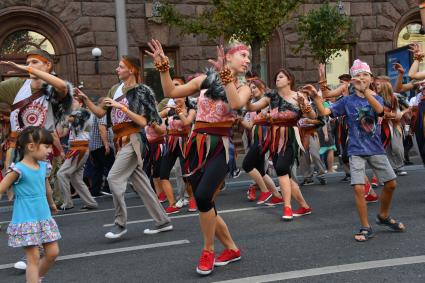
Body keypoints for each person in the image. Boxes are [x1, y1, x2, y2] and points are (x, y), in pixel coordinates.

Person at [147, 39, 252, 275]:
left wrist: (226, 78)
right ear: (229, 57)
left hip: (219, 146)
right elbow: (170, 92)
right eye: (243, 55)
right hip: (196, 144)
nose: (247, 60)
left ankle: (208, 250)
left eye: (248, 57)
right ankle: (232, 249)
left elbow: (235, 103)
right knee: (206, 203)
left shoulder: (245, 87)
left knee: (203, 197)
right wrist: (164, 68)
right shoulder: (205, 80)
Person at [306, 59, 406, 242]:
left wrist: (365, 91)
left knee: (391, 184)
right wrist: (315, 96)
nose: (361, 78)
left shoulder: (376, 97)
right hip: (356, 149)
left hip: (376, 148)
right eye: (357, 76)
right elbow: (325, 112)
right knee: (359, 188)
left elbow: (379, 111)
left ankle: (383, 216)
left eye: (365, 75)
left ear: (371, 79)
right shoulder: (347, 101)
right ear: (351, 81)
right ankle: (365, 227)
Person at [74, 55, 172, 239]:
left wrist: (124, 109)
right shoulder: (114, 89)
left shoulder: (143, 91)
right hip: (119, 141)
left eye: (120, 67)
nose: (117, 69)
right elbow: (100, 112)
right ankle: (163, 221)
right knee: (142, 184)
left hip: (134, 139)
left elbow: (144, 122)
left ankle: (120, 224)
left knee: (113, 178)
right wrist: (86, 100)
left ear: (132, 70)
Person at [246, 68, 314, 220]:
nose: (277, 79)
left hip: (291, 136)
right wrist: (246, 97)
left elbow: (312, 116)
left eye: (281, 77)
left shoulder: (299, 96)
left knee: (282, 168)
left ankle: (287, 207)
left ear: (289, 80)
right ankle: (304, 206)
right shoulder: (271, 96)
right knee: (285, 175)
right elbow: (252, 108)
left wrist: (306, 107)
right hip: (274, 138)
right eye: (276, 77)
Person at [0, 127, 60, 283]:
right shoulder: (18, 169)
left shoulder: (43, 166)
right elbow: (1, 188)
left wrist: (52, 203)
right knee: (32, 258)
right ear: (31, 146)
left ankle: (35, 279)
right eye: (46, 146)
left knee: (53, 253)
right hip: (25, 219)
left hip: (43, 216)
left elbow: (46, 186)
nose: (50, 150)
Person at [241, 78, 282, 205]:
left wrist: (266, 114)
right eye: (251, 88)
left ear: (262, 87)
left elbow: (275, 118)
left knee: (247, 165)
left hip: (265, 139)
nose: (252, 90)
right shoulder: (254, 105)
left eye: (254, 87)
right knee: (260, 170)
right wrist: (237, 118)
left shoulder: (270, 101)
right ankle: (277, 195)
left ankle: (265, 191)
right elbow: (249, 125)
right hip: (256, 139)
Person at [56, 98, 98, 211]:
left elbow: (70, 119)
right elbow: (62, 131)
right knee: (76, 178)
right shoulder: (75, 116)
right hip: (76, 148)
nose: (71, 104)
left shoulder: (85, 113)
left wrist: (61, 111)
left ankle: (68, 203)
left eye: (73, 101)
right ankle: (91, 203)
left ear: (80, 103)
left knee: (61, 174)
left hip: (80, 148)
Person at [89, 97, 115, 197]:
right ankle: (109, 188)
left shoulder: (93, 114)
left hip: (94, 146)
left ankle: (95, 191)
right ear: (100, 103)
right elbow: (102, 129)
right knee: (111, 167)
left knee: (97, 169)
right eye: (105, 102)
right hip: (101, 145)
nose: (108, 104)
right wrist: (106, 145)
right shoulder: (102, 113)